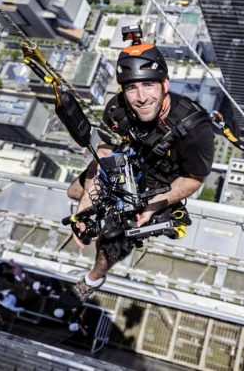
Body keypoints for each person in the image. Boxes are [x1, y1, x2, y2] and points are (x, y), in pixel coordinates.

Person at [68, 40, 215, 302]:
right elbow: (105, 152)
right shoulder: (117, 109)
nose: (142, 97)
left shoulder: (194, 129)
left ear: (165, 85)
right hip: (129, 161)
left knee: (109, 244)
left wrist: (153, 205)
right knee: (75, 191)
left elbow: (194, 179)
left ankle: (95, 277)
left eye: (149, 85)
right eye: (132, 88)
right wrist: (84, 210)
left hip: (162, 180)